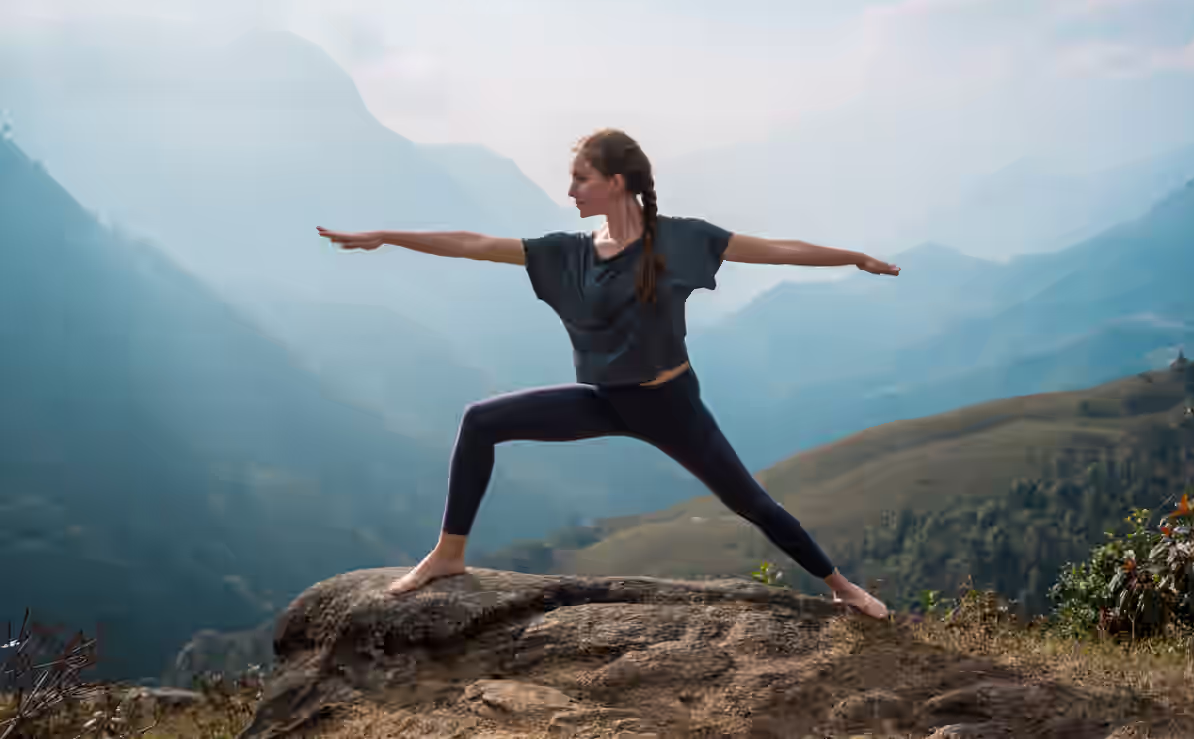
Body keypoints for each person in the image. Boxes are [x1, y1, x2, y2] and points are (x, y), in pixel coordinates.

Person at [316, 128, 900, 619]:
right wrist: (388, 237)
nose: (570, 190)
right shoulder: (568, 251)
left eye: (581, 179)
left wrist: (851, 256)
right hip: (604, 399)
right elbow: (473, 243)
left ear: (615, 182)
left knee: (749, 501)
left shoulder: (682, 238)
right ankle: (448, 553)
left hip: (671, 404)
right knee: (480, 420)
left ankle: (840, 588)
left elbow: (777, 249)